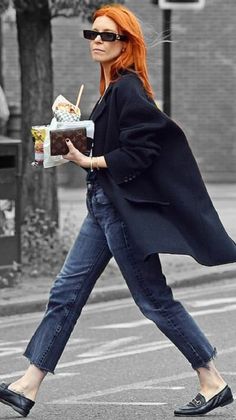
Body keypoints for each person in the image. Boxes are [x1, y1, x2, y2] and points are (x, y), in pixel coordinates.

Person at [0, 4, 235, 418]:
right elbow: (113, 143)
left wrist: (89, 162)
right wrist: (66, 142)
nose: (97, 41)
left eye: (107, 35)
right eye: (93, 34)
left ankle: (211, 380)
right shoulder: (110, 89)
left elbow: (142, 150)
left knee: (153, 300)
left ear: (125, 43)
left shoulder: (128, 88)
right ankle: (28, 385)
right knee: (65, 294)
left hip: (121, 211)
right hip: (101, 207)